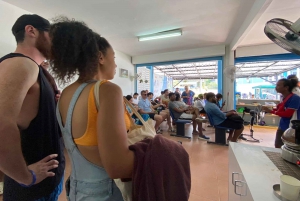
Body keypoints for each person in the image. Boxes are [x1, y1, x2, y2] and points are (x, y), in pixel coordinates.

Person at [51, 18, 130, 200]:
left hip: (76, 188)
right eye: (114, 58)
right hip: (106, 190)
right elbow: (118, 166)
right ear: (101, 57)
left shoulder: (66, 93)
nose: (116, 65)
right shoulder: (107, 90)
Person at [0, 14, 65, 200]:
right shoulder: (21, 64)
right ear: (31, 30)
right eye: (51, 36)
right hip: (32, 191)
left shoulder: (35, 69)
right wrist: (26, 177)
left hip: (46, 183)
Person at [262, 79, 300, 148]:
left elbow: (287, 114)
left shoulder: (295, 98)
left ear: (286, 87)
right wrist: (272, 110)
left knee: (288, 147)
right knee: (278, 145)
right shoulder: (284, 97)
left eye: (278, 85)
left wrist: (271, 111)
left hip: (292, 128)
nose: (276, 87)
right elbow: (281, 110)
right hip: (282, 125)